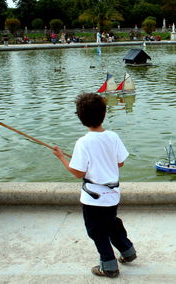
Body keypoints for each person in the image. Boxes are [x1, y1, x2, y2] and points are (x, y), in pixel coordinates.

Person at [52, 93, 136, 278]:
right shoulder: (113, 137)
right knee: (112, 224)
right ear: (104, 113)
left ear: (80, 118)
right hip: (112, 196)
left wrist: (61, 157)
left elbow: (78, 173)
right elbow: (120, 162)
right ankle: (128, 251)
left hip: (93, 199)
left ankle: (109, 266)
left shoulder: (83, 142)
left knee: (97, 232)